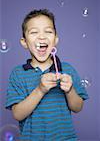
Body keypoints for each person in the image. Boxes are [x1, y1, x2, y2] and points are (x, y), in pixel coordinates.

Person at [5, 9, 89, 141]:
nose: (42, 37)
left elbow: (77, 107)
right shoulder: (18, 73)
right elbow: (17, 114)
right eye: (34, 32)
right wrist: (40, 90)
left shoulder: (67, 70)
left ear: (55, 40)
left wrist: (70, 90)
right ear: (24, 42)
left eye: (48, 31)